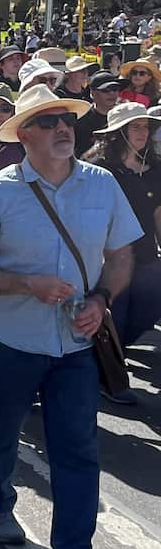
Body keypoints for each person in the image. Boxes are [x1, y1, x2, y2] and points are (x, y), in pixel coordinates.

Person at [0, 84, 139, 549]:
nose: (63, 128)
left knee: (78, 448)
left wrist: (102, 298)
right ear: (26, 134)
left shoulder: (102, 185)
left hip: (78, 348)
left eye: (66, 119)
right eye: (49, 121)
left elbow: (122, 255)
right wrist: (26, 285)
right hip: (14, 340)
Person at [83, 104, 161, 390]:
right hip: (110, 258)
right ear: (119, 132)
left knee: (149, 310)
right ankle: (109, 378)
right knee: (116, 319)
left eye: (146, 127)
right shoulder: (98, 170)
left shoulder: (156, 170)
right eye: (135, 126)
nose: (143, 132)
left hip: (146, 257)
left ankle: (112, 358)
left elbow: (158, 214)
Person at [75, 70, 121, 155]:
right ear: (93, 92)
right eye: (105, 90)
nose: (111, 93)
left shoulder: (124, 116)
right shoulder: (81, 119)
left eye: (115, 89)